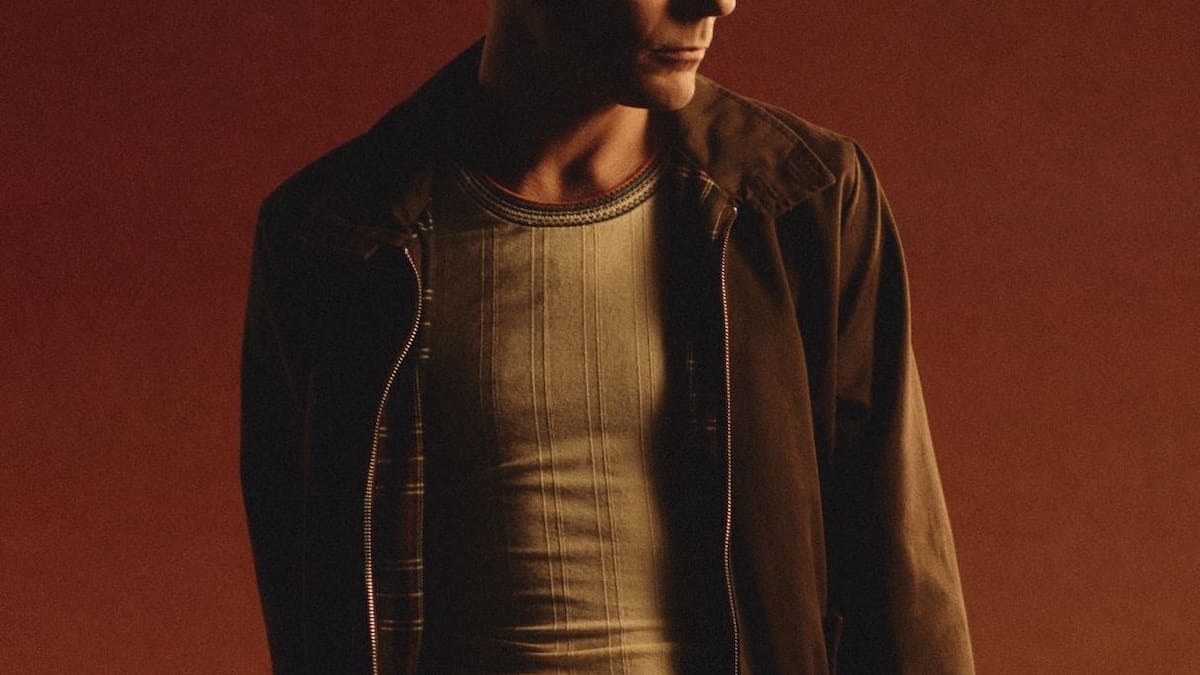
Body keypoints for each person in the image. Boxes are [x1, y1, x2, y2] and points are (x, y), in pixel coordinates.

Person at [240, 1, 975, 673]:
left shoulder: (802, 204)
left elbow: (898, 583)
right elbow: (309, 613)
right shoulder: (330, 239)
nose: (718, 2)